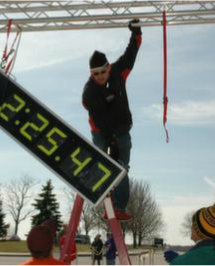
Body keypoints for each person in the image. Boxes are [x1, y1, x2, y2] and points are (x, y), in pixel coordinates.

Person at [82, 19, 142, 221]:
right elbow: (101, 121)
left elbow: (131, 54)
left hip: (122, 130)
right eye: (95, 74)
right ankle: (100, 196)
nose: (100, 77)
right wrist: (112, 142)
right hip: (100, 132)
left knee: (122, 168)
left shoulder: (118, 72)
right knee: (102, 164)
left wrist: (136, 33)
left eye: (102, 72)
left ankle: (117, 207)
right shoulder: (89, 93)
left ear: (108, 67)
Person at [164, 201, 215, 265]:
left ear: (198, 231)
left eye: (193, 225)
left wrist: (179, 261)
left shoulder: (179, 263)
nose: (191, 227)